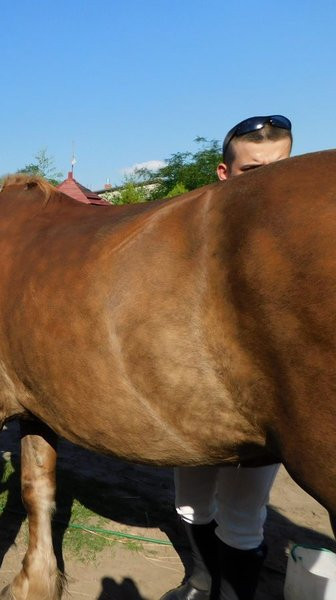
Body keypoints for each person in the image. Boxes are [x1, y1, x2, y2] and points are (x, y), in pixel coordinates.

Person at [161, 115, 293, 600]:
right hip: (196, 392)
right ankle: (201, 580)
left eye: (282, 167)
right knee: (191, 502)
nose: (271, 182)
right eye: (253, 171)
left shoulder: (300, 237)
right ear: (224, 173)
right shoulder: (190, 232)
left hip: (265, 398)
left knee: (243, 515)